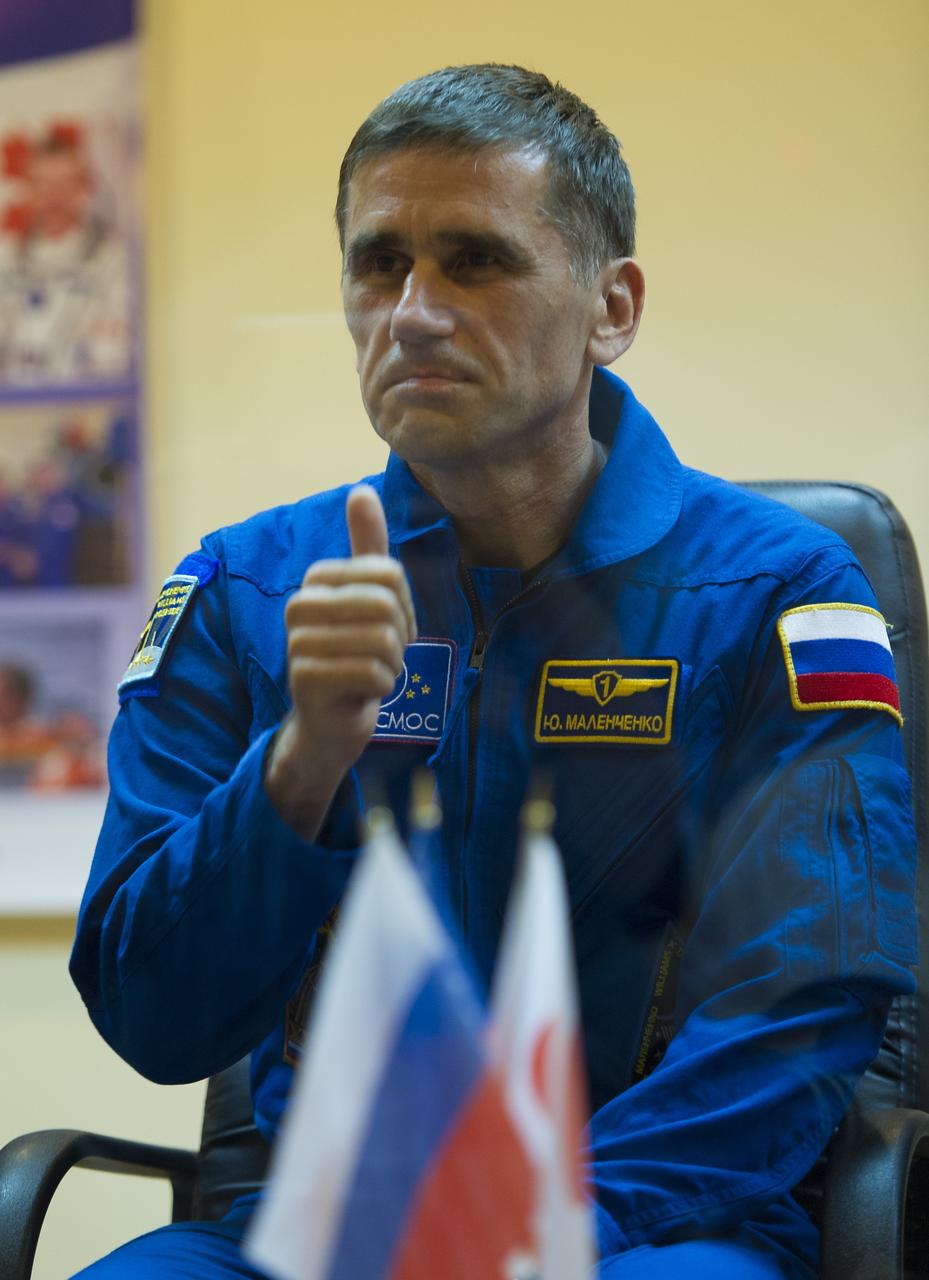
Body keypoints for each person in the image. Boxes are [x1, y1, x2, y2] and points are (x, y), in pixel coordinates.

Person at [69, 64, 917, 1278]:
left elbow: (802, 1000)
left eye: (474, 258)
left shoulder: (779, 591)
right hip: (324, 1232)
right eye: (379, 263)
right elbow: (153, 1014)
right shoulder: (249, 588)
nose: (411, 310)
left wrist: (546, 1219)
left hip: (651, 1223)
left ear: (609, 306)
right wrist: (297, 765)